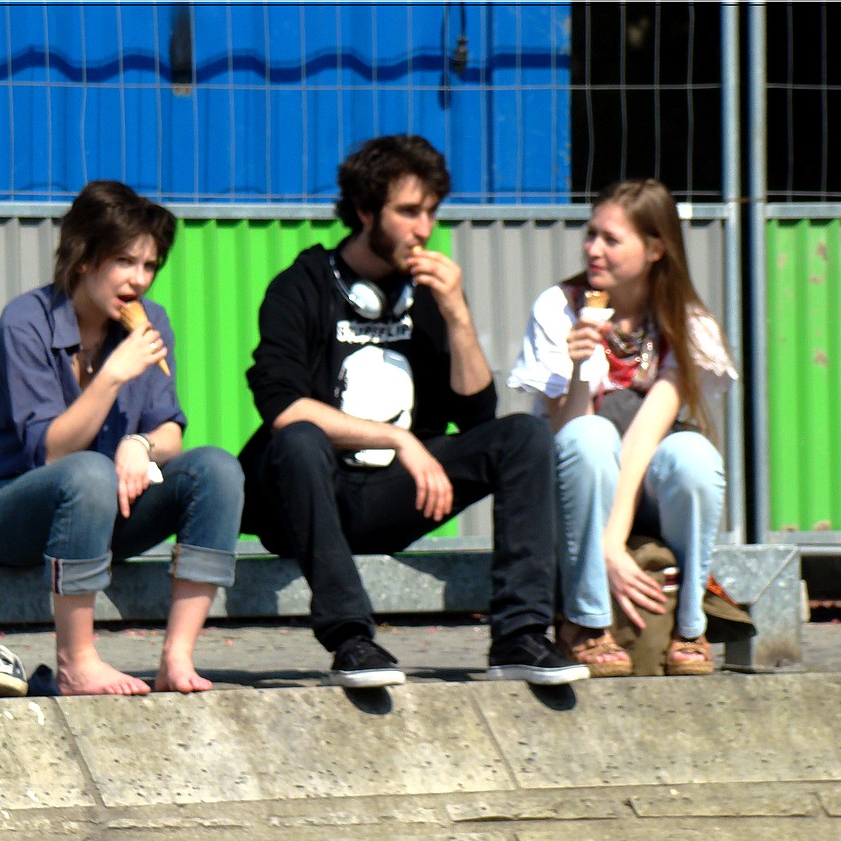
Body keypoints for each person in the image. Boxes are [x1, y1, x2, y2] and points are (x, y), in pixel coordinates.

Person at [238, 134, 589, 688]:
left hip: (394, 496)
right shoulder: (300, 288)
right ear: (364, 210)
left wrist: (457, 317)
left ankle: (520, 636)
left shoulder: (430, 294)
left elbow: (476, 415)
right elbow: (282, 407)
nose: (424, 228)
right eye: (408, 211)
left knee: (523, 435)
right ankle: (352, 640)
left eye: (430, 212)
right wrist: (400, 440)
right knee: (299, 438)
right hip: (308, 497)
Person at [0, 179, 244, 696]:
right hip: (6, 509)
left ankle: (177, 658)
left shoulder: (150, 322)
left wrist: (141, 445)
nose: (139, 279)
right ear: (84, 257)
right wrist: (113, 375)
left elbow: (170, 430)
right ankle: (76, 663)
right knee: (89, 471)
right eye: (124, 261)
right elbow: (50, 451)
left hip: (104, 513)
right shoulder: (26, 322)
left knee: (218, 470)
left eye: (150, 265)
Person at [507, 178, 738, 677]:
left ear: (655, 249)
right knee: (591, 437)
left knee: (694, 455)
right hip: (575, 485)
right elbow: (568, 436)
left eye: (611, 239)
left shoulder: (687, 323)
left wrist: (612, 542)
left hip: (640, 484)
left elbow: (643, 440)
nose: (593, 249)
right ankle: (585, 624)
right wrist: (577, 368)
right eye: (591, 234)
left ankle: (691, 627)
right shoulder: (560, 308)